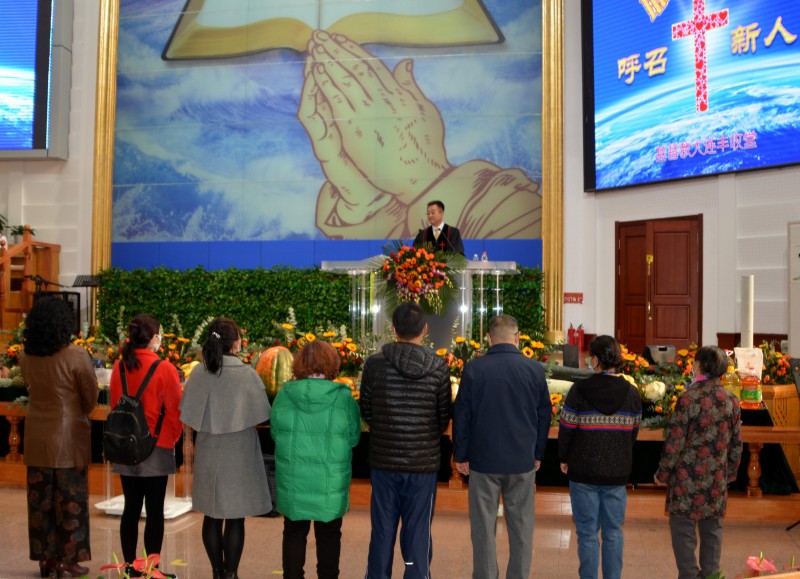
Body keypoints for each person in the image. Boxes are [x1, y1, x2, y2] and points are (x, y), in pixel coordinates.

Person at [299, 30, 543, 241]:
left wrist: (423, 176)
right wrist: (365, 200)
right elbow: (399, 272)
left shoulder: (523, 221)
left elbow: (522, 250)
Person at [453, 314, 551, 579]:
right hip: (522, 461)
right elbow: (545, 415)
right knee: (521, 529)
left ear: (488, 338)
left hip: (483, 462)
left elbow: (461, 414)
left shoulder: (475, 369)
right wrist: (538, 453)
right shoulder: (534, 369)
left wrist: (460, 455)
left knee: (483, 529)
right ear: (518, 337)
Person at [359, 301, 452, 578]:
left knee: (383, 531)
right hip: (422, 465)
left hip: (384, 462)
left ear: (393, 329)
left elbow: (366, 410)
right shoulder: (438, 366)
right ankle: (414, 574)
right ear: (424, 329)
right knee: (417, 532)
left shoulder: (374, 364)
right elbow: (443, 417)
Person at [180, 317, 271, 579]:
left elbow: (188, 414)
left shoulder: (199, 372)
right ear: (237, 343)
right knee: (235, 517)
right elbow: (262, 415)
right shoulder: (246, 373)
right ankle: (231, 574)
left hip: (208, 449)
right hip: (240, 451)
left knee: (211, 514)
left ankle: (217, 572)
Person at [270, 340, 361, 579]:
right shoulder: (344, 398)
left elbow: (275, 433)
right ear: (332, 364)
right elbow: (353, 437)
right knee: (330, 535)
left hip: (294, 479)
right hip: (329, 480)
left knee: (293, 533)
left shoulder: (285, 395)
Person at [21, 297, 98, 578]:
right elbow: (90, 396)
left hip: (37, 436)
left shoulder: (27, 355)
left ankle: (46, 560)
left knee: (40, 502)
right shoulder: (75, 355)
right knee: (70, 502)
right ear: (65, 323)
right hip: (69, 438)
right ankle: (68, 559)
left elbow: (29, 390)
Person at [557, 335, 642, 579]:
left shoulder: (579, 390)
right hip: (616, 474)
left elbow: (567, 428)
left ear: (595, 360)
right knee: (613, 532)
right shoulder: (632, 393)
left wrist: (564, 457)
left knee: (586, 534)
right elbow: (633, 431)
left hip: (583, 472)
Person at [654, 345, 743, 579]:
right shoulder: (731, 400)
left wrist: (662, 474)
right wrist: (729, 475)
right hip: (716, 479)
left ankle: (689, 575)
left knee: (683, 529)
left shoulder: (689, 398)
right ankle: (711, 575)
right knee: (712, 529)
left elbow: (675, 442)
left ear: (699, 366)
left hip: (686, 480)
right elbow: (736, 444)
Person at [109, 314, 183, 578]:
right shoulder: (165, 369)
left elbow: (114, 405)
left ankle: (130, 568)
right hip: (156, 446)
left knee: (130, 508)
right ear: (154, 338)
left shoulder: (119, 366)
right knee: (154, 511)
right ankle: (152, 570)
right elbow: (175, 411)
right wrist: (173, 439)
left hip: (125, 446)